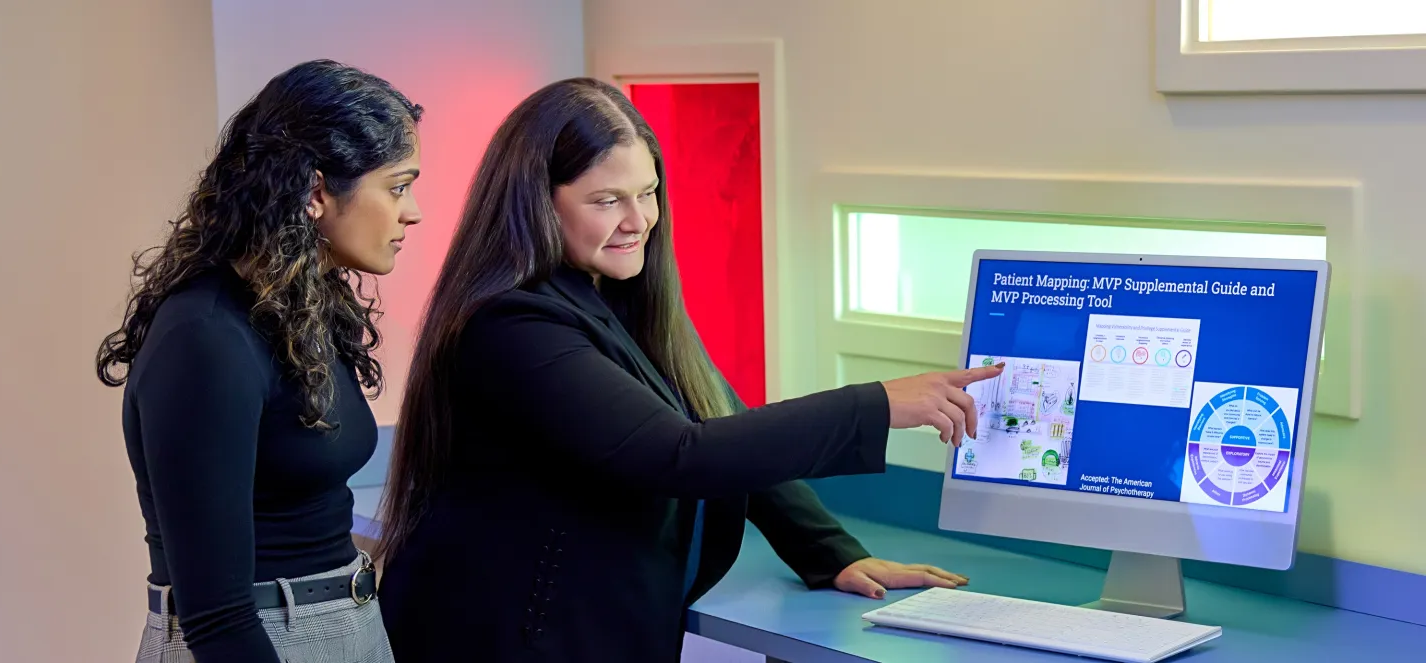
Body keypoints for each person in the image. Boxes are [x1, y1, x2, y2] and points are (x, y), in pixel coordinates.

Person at [374, 77, 1003, 663]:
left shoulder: (610, 299)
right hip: (509, 638)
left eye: (647, 193)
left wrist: (828, 551)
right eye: (606, 200)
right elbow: (679, 453)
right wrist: (879, 405)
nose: (639, 220)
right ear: (538, 202)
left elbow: (720, 416)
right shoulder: (512, 326)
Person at [95, 59, 423, 663]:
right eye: (398, 186)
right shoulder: (206, 336)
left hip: (343, 625)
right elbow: (217, 618)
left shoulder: (302, 307)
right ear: (318, 192)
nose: (413, 212)